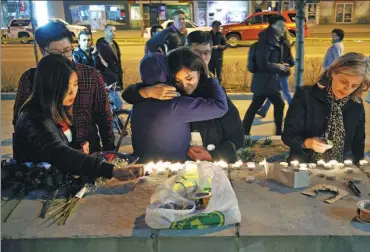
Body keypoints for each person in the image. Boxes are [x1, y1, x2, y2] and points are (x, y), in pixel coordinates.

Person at [122, 31, 244, 162]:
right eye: (196, 53)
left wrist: (213, 155)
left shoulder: (214, 93)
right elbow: (129, 95)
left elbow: (237, 136)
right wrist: (145, 91)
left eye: (206, 53)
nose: (202, 58)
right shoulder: (165, 91)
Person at [14, 55, 138, 181]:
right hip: (35, 190)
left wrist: (77, 149)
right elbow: (58, 153)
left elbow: (62, 147)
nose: (73, 92)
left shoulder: (59, 109)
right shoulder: (34, 118)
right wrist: (111, 171)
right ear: (50, 86)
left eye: (75, 84)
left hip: (56, 184)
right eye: (66, 86)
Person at [13, 21, 115, 154]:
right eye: (55, 54)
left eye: (67, 51)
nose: (64, 59)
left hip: (89, 156)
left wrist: (109, 151)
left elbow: (104, 116)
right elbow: (20, 121)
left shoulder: (90, 75)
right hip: (48, 162)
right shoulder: (30, 79)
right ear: (41, 50)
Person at [282, 53, 370, 163]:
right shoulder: (306, 96)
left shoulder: (356, 103)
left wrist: (358, 170)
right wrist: (308, 143)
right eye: (344, 82)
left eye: (354, 86)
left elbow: (358, 143)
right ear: (333, 73)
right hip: (306, 166)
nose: (347, 89)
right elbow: (288, 135)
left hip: (342, 170)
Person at [243, 15, 288, 136]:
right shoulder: (265, 43)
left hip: (267, 82)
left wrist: (280, 64)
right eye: (280, 26)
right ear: (272, 26)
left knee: (255, 106)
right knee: (278, 104)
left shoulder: (273, 41)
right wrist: (279, 67)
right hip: (265, 82)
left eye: (284, 26)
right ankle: (278, 132)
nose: (283, 28)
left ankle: (244, 131)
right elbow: (263, 64)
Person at [256, 27, 295, 118]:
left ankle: (295, 111)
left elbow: (289, 60)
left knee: (285, 93)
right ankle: (263, 110)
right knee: (274, 92)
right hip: (280, 71)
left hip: (282, 72)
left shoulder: (283, 44)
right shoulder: (283, 43)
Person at [96, 24, 123, 110]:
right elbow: (101, 64)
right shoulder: (101, 46)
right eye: (110, 31)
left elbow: (118, 62)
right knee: (117, 103)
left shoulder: (115, 44)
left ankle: (115, 120)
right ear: (105, 32)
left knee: (115, 104)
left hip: (116, 78)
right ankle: (115, 121)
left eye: (114, 31)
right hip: (109, 80)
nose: (113, 33)